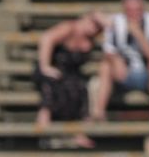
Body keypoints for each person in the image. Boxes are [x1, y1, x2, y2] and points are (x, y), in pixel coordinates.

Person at [90, 0, 149, 122]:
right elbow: (108, 51)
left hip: (147, 76)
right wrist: (116, 60)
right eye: (130, 11)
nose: (134, 14)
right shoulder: (115, 22)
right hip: (123, 74)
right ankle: (99, 115)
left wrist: (138, 34)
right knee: (105, 66)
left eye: (137, 10)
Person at [32, 11, 105, 148]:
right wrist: (45, 66)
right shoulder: (69, 28)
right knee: (52, 86)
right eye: (94, 23)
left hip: (71, 74)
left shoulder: (91, 38)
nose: (95, 28)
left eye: (99, 26)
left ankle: (81, 134)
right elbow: (46, 38)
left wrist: (104, 20)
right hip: (53, 68)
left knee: (81, 89)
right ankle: (44, 131)